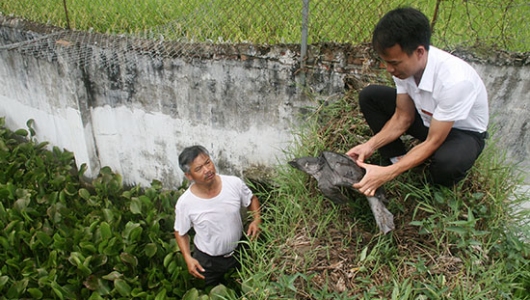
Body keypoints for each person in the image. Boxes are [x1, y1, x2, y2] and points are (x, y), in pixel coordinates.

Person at [346, 7, 489, 196]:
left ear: (420, 52)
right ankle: (394, 160)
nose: (389, 69)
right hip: (428, 118)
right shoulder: (405, 67)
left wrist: (387, 175)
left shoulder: (455, 81)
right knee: (370, 96)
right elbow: (403, 117)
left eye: (394, 63)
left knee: (448, 163)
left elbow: (433, 141)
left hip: (461, 133)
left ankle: (430, 189)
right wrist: (369, 146)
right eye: (386, 62)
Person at [173, 145, 261, 287]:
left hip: (239, 252)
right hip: (207, 261)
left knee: (245, 287)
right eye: (198, 169)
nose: (207, 170)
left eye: (207, 162)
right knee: (210, 291)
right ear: (189, 176)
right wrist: (188, 257)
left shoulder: (233, 183)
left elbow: (251, 200)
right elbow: (180, 232)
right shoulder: (185, 203)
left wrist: (257, 219)